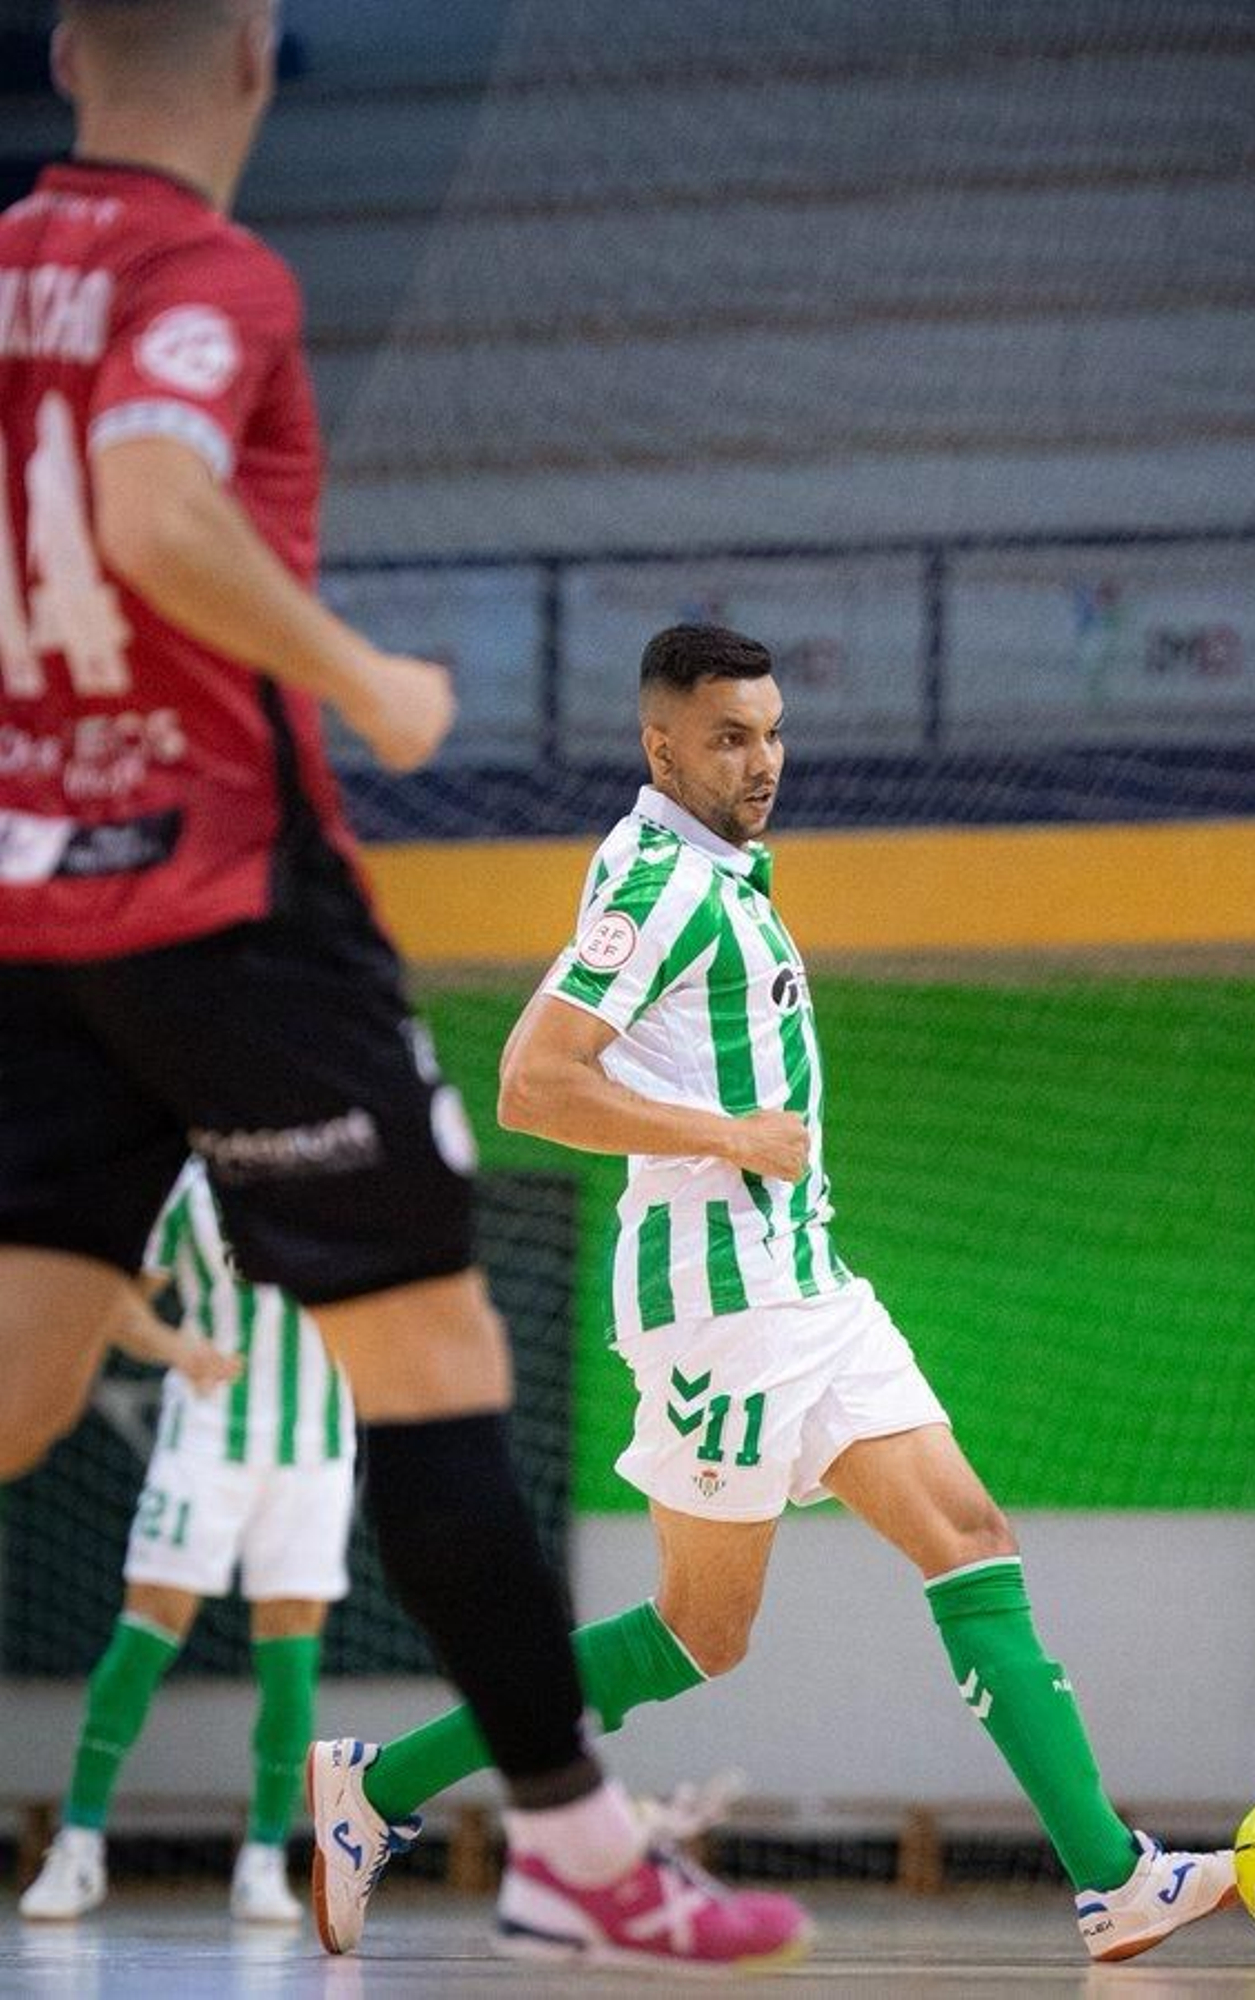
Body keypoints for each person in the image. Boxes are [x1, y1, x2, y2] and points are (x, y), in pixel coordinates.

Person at [0, 4, 805, 1971]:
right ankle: (568, 1841)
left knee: (14, 1393)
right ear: (260, 61)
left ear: (69, 53)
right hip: (219, 909)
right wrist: (367, 681)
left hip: (24, 903)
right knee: (435, 1366)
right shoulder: (203, 271)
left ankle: (527, 1827)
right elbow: (155, 508)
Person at [306, 623, 1242, 1966]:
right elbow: (533, 1080)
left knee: (970, 1534)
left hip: (810, 1284)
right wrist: (728, 1138)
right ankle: (380, 1787)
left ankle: (1113, 1877)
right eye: (730, 737)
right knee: (701, 1634)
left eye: (773, 732)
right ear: (662, 743)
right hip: (720, 1306)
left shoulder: (728, 875)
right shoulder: (658, 881)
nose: (761, 761)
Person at [21, 1157, 353, 1925]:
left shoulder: (350, 1173)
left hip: (316, 1448)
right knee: (147, 1629)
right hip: (206, 1436)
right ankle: (78, 1847)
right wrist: (179, 1350)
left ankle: (266, 1858)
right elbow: (115, 1303)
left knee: (292, 1650)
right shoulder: (185, 1187)